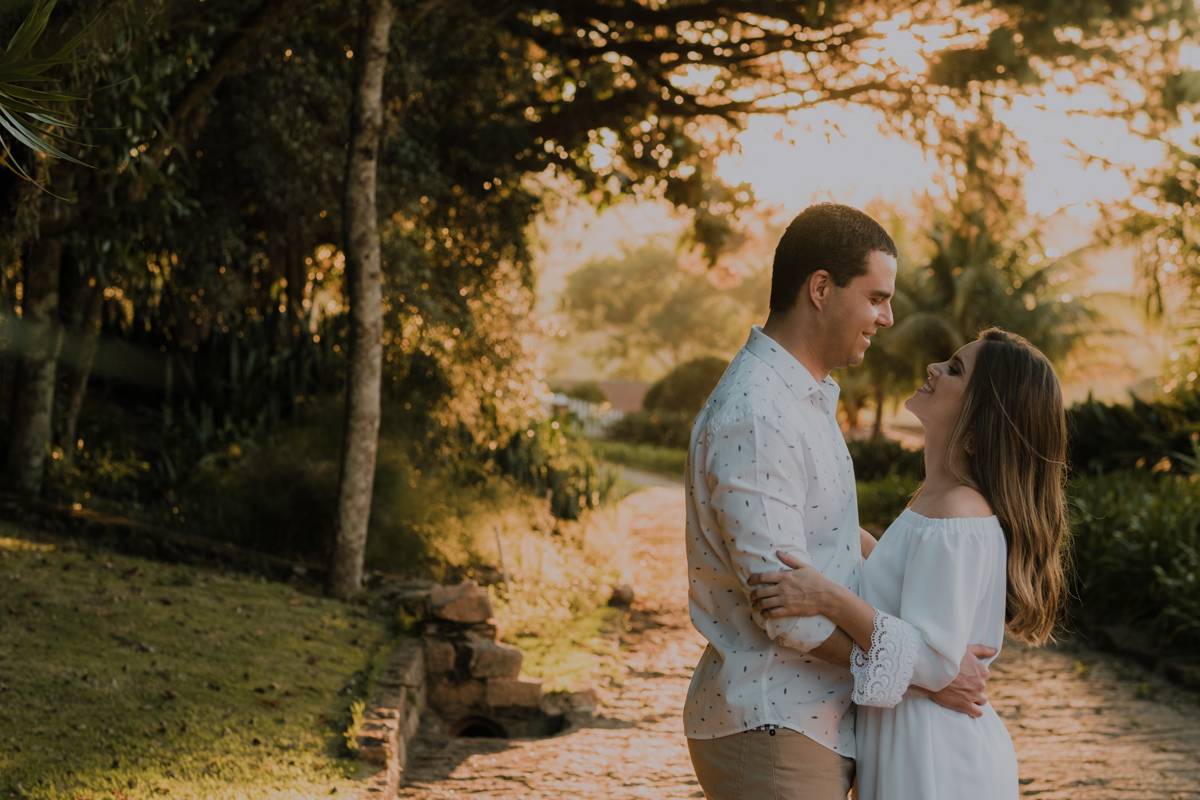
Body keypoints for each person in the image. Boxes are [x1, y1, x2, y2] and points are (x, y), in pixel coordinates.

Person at [684, 203, 994, 800]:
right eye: (876, 297)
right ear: (821, 288)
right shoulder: (759, 414)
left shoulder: (805, 398)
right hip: (775, 722)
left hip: (809, 725)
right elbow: (788, 611)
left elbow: (822, 544)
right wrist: (928, 677)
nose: (888, 316)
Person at [749, 328, 1069, 800]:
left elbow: (935, 662)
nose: (933, 368)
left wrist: (826, 596)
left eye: (955, 369)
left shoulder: (958, 511)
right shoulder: (941, 502)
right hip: (916, 742)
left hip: (937, 760)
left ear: (981, 420)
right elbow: (913, 594)